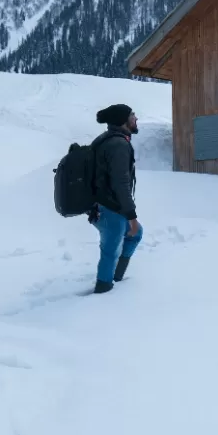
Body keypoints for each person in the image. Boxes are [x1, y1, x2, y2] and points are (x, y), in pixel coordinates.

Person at [89, 103, 142, 294]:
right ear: (123, 121)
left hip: (103, 205)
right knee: (110, 251)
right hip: (109, 207)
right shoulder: (118, 144)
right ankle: (104, 291)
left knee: (135, 234)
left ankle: (116, 278)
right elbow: (121, 183)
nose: (136, 119)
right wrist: (131, 216)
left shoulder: (107, 139)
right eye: (133, 115)